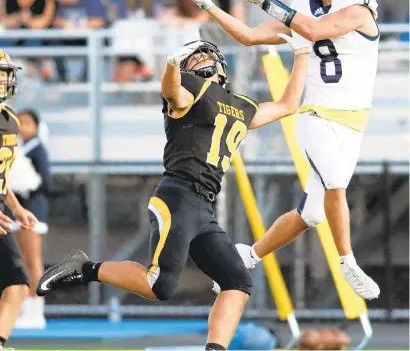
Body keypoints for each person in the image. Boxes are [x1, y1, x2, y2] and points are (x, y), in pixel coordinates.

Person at [37, 37, 310, 351]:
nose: (200, 60)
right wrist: (169, 65)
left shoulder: (240, 105)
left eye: (205, 56)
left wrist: (302, 52)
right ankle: (83, 269)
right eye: (192, 59)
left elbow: (288, 104)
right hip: (178, 196)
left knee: (237, 280)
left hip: (204, 205)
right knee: (161, 285)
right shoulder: (189, 89)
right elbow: (172, 92)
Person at [177, 0, 380, 300]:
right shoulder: (303, 11)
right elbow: (250, 36)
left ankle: (249, 253)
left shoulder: (359, 9)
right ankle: (347, 262)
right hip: (316, 116)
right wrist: (209, 7)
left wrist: (268, 3)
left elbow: (317, 31)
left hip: (353, 123)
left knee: (313, 214)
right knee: (335, 183)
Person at [0, 50, 38, 350]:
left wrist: (16, 207)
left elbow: (2, 177)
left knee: (17, 286)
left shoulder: (10, 121)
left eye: (5, 72)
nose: (3, 78)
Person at [7, 110, 51, 329]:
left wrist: (26, 186)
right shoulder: (21, 149)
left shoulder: (37, 150)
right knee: (22, 261)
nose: (23, 128)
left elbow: (45, 183)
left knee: (32, 260)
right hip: (19, 210)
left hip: (32, 210)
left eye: (27, 123)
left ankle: (36, 310)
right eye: (19, 123)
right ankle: (25, 308)